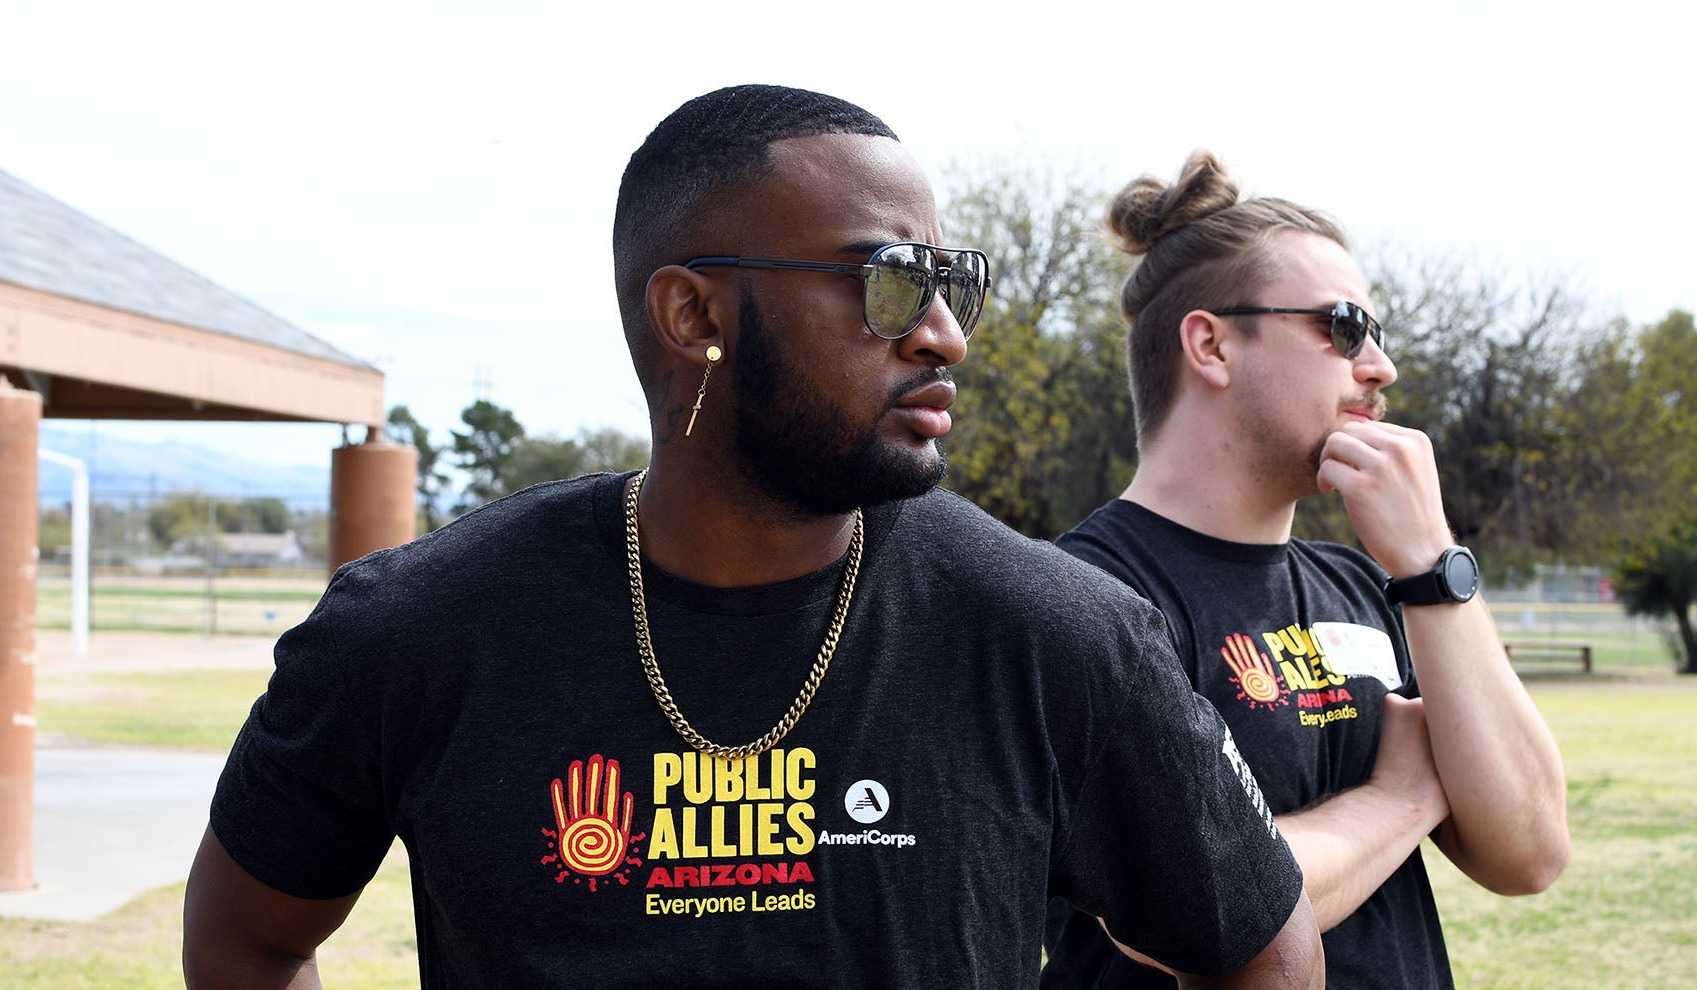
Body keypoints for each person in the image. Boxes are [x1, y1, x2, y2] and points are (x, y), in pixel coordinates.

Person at [182, 89, 1323, 988]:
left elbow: (1259, 947)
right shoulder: (418, 632)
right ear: (693, 315)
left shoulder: (1054, 635)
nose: (942, 339)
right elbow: (246, 941)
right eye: (886, 282)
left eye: (949, 285)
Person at [1041, 151, 1571, 988]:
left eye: (1377, 334)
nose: (1379, 367)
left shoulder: (1375, 588)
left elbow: (1531, 851)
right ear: (1211, 345)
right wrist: (1399, 800)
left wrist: (1432, 566)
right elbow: (1198, 908)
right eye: (1345, 326)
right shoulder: (1082, 599)